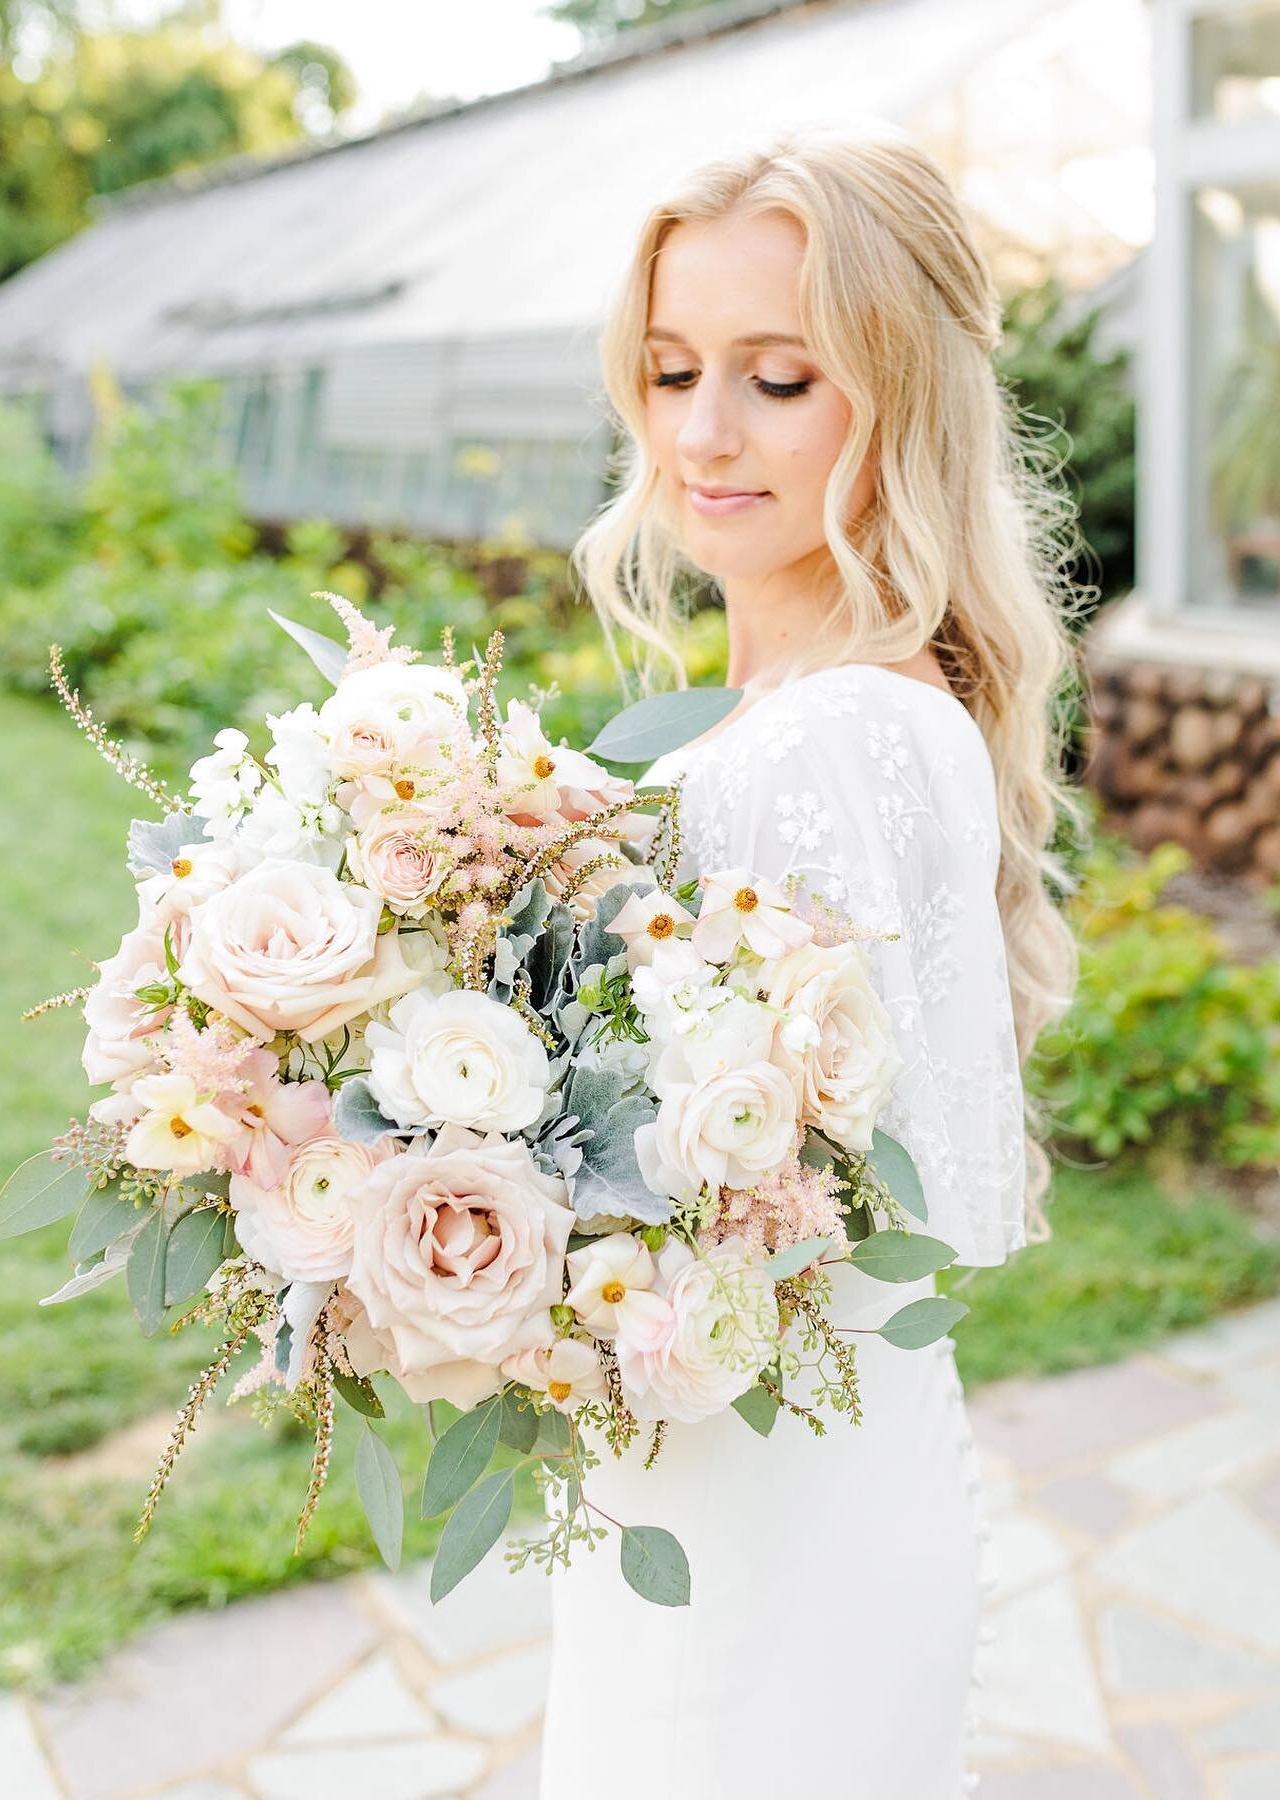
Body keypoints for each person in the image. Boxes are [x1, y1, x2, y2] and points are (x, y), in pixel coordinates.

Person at [538, 121, 1085, 1799]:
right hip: (778, 1464)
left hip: (761, 1510)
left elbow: (750, 1206)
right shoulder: (820, 712)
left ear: (899, 397)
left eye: (780, 379)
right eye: (673, 367)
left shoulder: (826, 742)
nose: (702, 433)